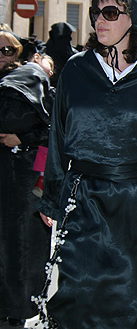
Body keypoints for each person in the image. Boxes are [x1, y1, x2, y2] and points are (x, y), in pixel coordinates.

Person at [35, 0, 137, 328]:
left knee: (131, 295)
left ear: (134, 21)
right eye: (96, 12)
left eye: (110, 13)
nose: (98, 20)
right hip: (84, 199)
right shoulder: (76, 70)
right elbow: (56, 137)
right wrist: (50, 197)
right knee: (78, 292)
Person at [0, 31, 54, 327]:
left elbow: (54, 129)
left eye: (7, 48)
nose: (1, 54)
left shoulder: (29, 80)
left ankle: (18, 311)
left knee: (21, 247)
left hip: (23, 181)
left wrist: (22, 137)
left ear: (17, 51)